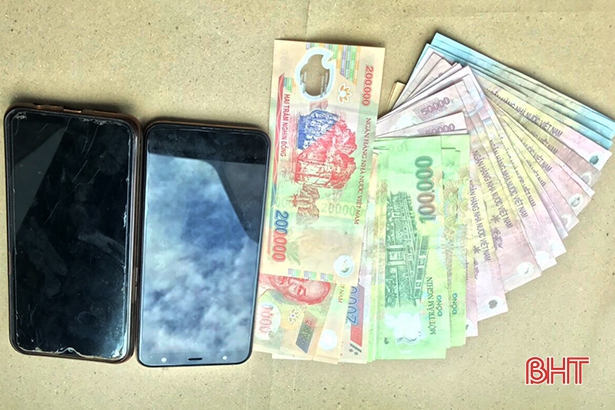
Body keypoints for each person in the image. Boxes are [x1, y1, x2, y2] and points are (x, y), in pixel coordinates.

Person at [258, 274, 331, 306]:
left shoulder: (252, 295)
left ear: (290, 297)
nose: (292, 279)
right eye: (302, 277)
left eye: (299, 290)